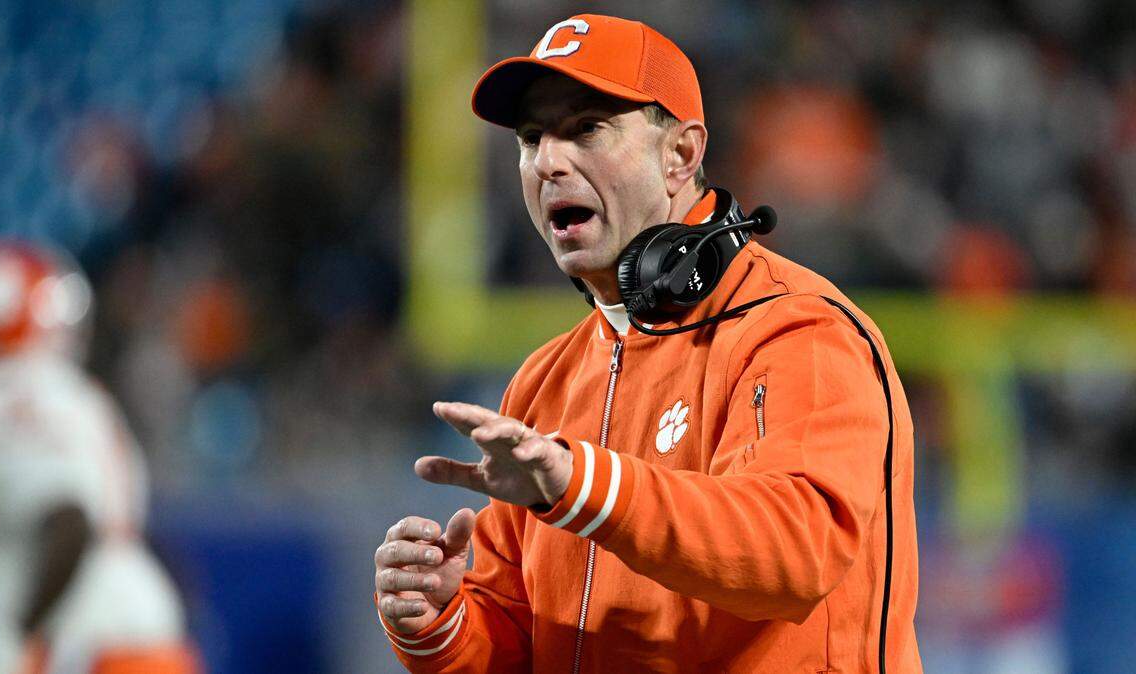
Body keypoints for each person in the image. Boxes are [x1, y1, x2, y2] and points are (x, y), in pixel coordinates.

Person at [374, 14, 922, 673]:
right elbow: (518, 645)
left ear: (682, 155)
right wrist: (440, 621)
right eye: (530, 139)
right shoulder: (544, 381)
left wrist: (583, 486)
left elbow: (795, 553)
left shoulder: (798, 329)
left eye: (585, 129)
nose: (548, 161)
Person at [0, 241, 200, 674]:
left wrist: (21, 642)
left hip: (88, 653)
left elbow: (68, 517)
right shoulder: (74, 395)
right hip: (128, 644)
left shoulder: (11, 396)